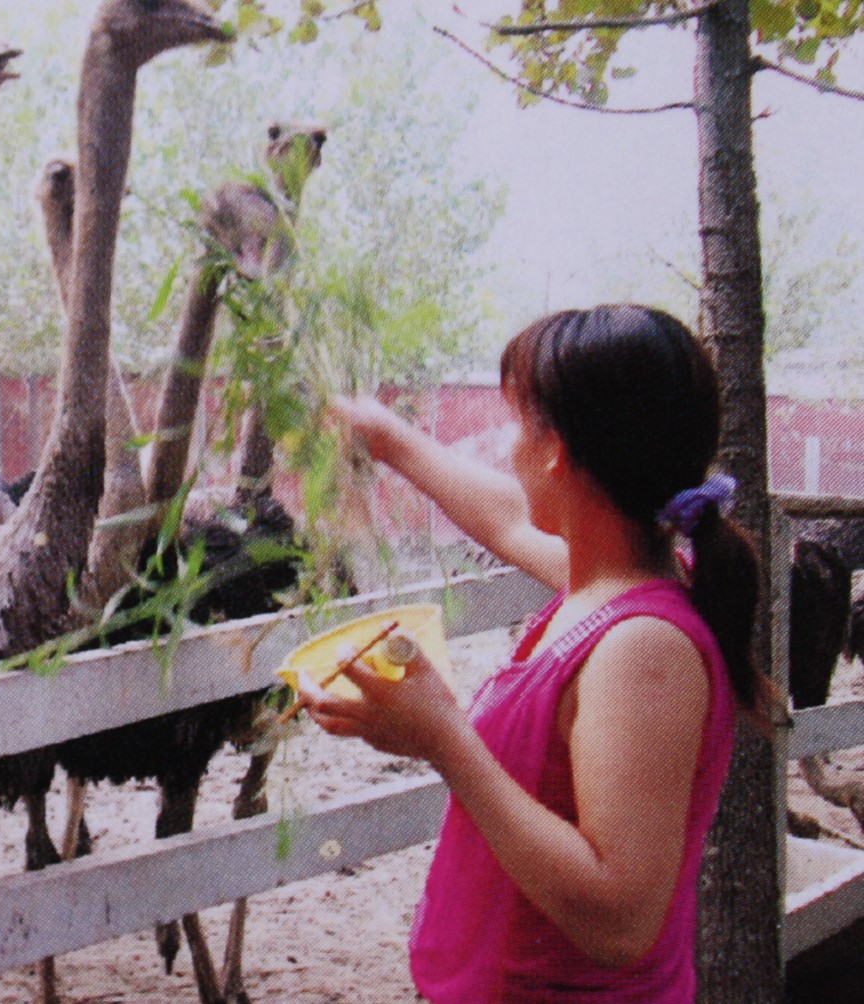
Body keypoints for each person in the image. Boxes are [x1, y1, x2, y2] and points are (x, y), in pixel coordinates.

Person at [304, 305, 772, 1002]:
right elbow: (503, 516)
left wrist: (442, 737)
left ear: (555, 449)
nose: (506, 447)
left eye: (519, 422)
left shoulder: (643, 649)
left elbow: (620, 922)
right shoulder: (613, 584)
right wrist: (384, 437)